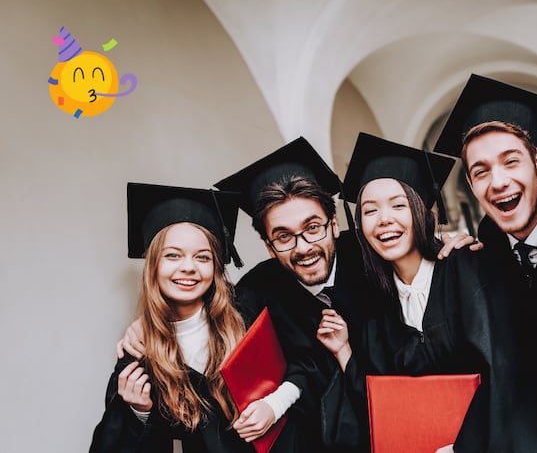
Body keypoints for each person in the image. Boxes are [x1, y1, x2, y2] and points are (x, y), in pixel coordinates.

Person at [116, 138, 476, 452]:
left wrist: (447, 241)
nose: (303, 247)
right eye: (284, 236)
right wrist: (146, 324)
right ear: (269, 245)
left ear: (335, 224)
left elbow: (410, 246)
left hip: (407, 430)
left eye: (313, 228)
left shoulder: (371, 255)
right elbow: (207, 312)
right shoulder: (258, 291)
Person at [317, 132, 537, 452]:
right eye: (370, 211)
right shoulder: (380, 305)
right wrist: (342, 349)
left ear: (425, 211)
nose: (384, 220)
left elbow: (505, 371)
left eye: (398, 205)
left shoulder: (465, 267)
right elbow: (381, 396)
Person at [90, 183, 251, 452]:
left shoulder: (244, 320)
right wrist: (138, 413)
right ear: (153, 266)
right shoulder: (139, 356)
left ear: (215, 267)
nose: (188, 267)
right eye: (173, 255)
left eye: (202, 257)